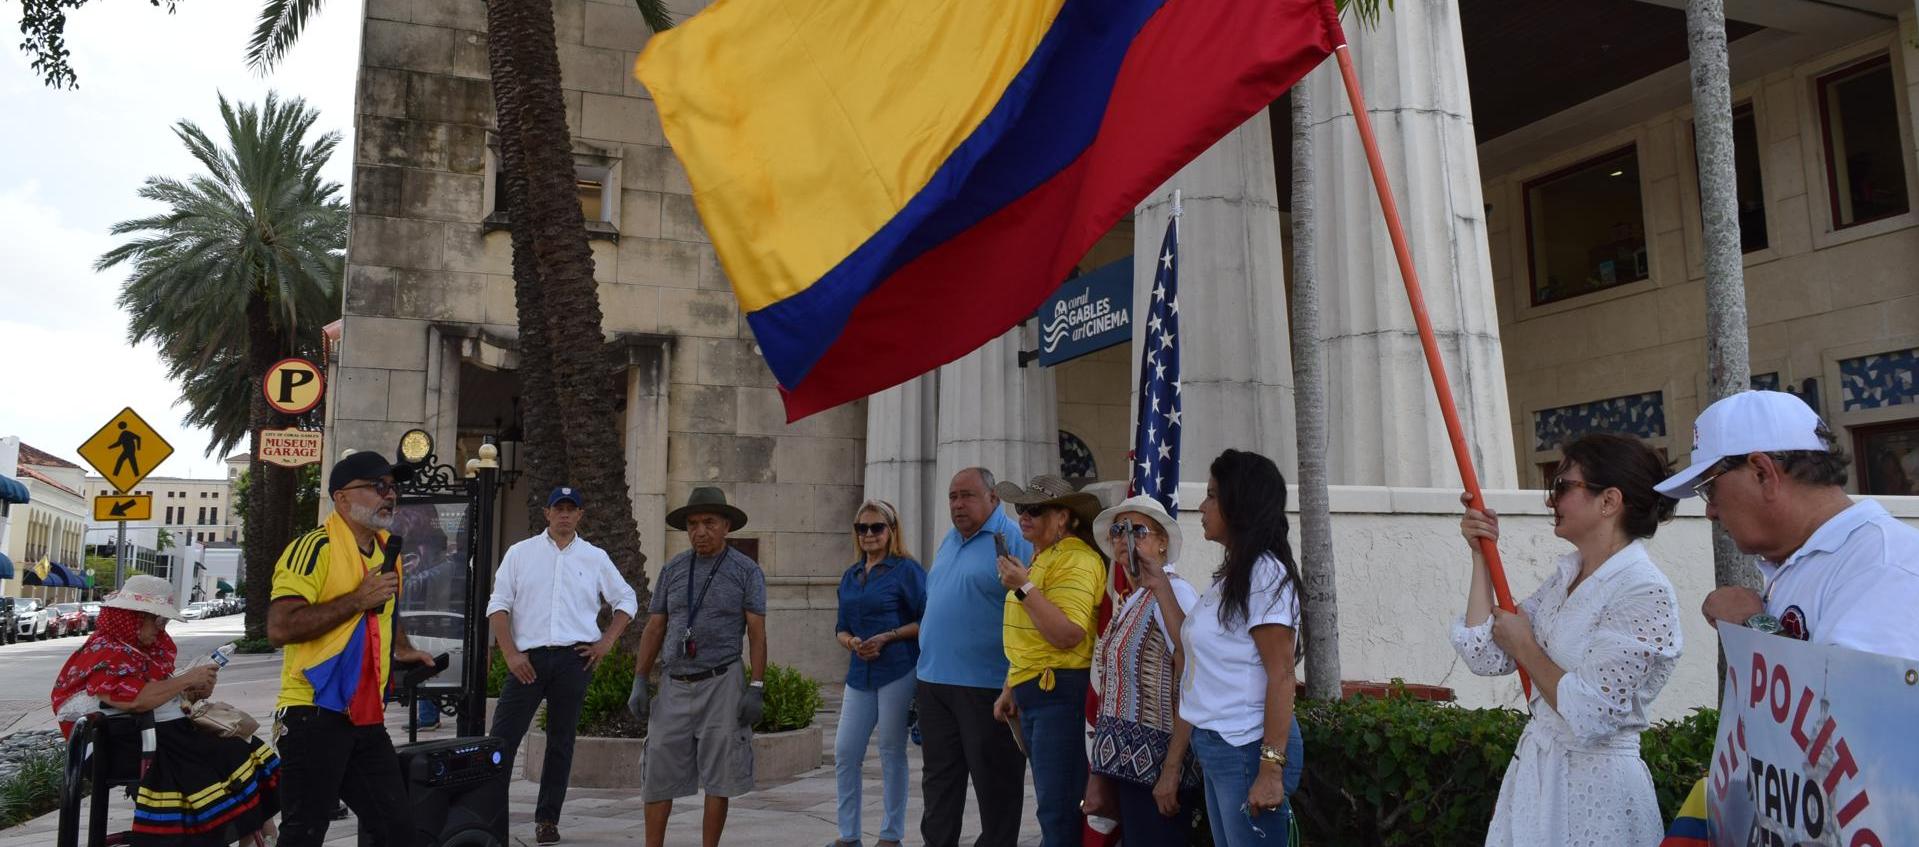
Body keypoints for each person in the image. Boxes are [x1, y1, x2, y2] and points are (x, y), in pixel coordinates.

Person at [1451, 432, 1685, 845]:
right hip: (1537, 783)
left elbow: (1592, 711)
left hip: (1596, 794)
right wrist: (1480, 556)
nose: (1550, 500)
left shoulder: (1643, 590)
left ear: (1609, 501)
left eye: (1561, 486)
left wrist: (1525, 646)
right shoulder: (1566, 579)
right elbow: (1485, 653)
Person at [1658, 390, 1919, 660]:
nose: (1710, 511)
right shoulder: (1815, 559)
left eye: (1709, 489)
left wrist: (1752, 623)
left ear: (1762, 473)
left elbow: (1853, 697)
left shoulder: (1885, 565)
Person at [266, 450, 437, 847]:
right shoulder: (314, 548)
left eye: (392, 488)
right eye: (378, 486)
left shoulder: (384, 552)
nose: (389, 495)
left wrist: (403, 648)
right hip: (312, 713)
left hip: (364, 717)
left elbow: (384, 612)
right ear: (342, 498)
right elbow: (279, 627)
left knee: (398, 831)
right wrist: (356, 600)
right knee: (304, 833)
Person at [51, 575, 279, 847]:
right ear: (135, 617)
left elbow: (157, 694)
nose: (162, 628)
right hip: (118, 744)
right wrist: (186, 680)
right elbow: (135, 700)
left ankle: (255, 829)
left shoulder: (139, 649)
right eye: (158, 620)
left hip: (149, 733)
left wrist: (193, 690)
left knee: (247, 744)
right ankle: (248, 830)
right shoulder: (106, 651)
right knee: (229, 753)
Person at [487, 485, 639, 845]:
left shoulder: (595, 557)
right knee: (502, 740)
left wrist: (605, 643)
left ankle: (547, 820)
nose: (565, 514)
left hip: (574, 660)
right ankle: (488, 816)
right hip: (528, 660)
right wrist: (510, 654)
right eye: (559, 508)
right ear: (547, 513)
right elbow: (498, 606)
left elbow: (626, 599)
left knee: (561, 741)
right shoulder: (520, 553)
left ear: (581, 515)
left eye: (572, 509)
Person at [1174, 449, 1305, 846]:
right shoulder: (1234, 574)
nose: (1202, 505)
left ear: (1240, 502)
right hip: (1219, 745)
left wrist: (1270, 770)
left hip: (1246, 748)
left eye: (1213, 495)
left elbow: (1281, 675)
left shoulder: (1264, 573)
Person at [631, 487, 768, 847]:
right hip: (674, 683)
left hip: (722, 681)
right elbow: (656, 626)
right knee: (657, 770)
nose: (700, 531)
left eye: (709, 522)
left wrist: (756, 686)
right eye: (693, 524)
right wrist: (640, 679)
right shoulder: (674, 569)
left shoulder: (746, 571)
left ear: (726, 526)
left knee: (719, 776)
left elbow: (756, 631)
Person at [916, 467, 1031, 847]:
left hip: (987, 688)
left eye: (967, 495)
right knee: (939, 785)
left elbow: (1032, 609)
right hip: (935, 683)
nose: (958, 504)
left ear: (993, 498)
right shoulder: (951, 539)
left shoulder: (1011, 539)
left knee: (996, 788)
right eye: (952, 496)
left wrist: (1013, 680)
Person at [992, 474, 1107, 847]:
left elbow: (1068, 633)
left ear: (1065, 517)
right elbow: (1032, 633)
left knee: (1058, 809)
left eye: (1035, 509)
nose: (1024, 516)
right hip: (1039, 689)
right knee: (1052, 806)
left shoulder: (1077, 559)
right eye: (1021, 508)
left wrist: (1023, 588)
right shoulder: (1043, 558)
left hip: (1060, 692)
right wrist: (1012, 684)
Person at [1082, 495, 1202, 844]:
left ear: (1163, 542)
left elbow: (1190, 676)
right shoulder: (1131, 599)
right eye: (1118, 530)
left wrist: (1172, 768)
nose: (1125, 538)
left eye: (1138, 530)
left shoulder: (1175, 592)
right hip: (1127, 766)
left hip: (1158, 765)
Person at [828, 499, 927, 847]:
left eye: (876, 527)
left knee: (890, 750)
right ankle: (848, 835)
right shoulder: (851, 575)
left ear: (891, 530)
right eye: (862, 528)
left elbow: (925, 620)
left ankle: (890, 834)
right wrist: (851, 641)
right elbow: (840, 627)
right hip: (859, 672)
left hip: (897, 668)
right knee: (845, 751)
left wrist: (889, 636)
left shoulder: (908, 571)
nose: (869, 535)